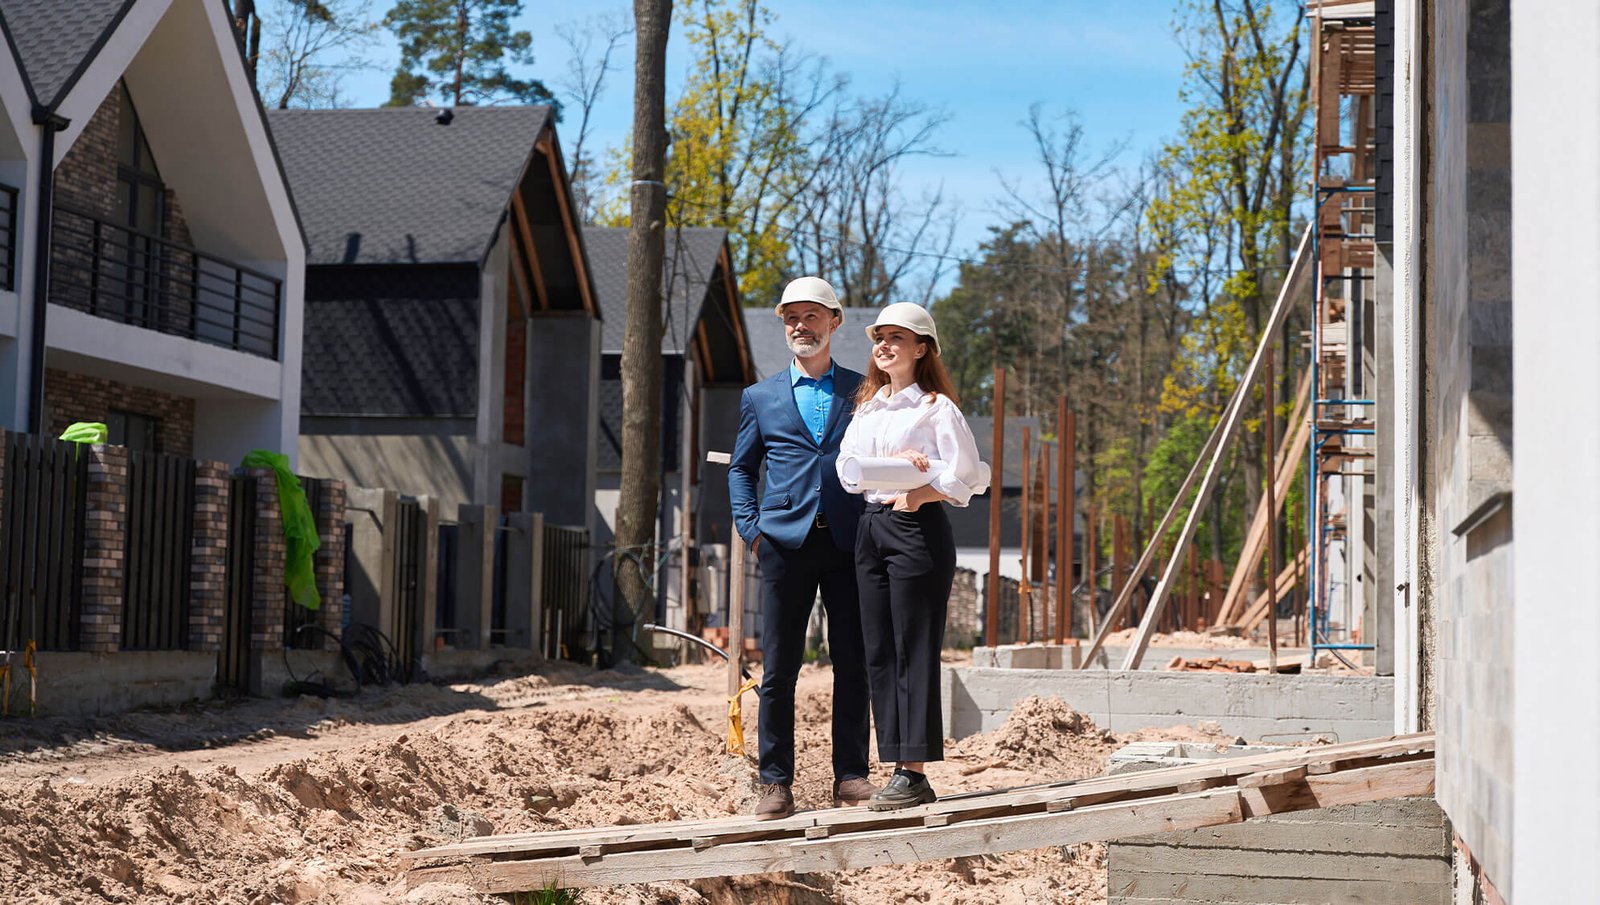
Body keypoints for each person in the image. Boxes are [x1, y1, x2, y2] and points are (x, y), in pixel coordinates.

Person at [729, 276, 876, 820]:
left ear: (834, 322)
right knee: (779, 669)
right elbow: (742, 469)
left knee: (853, 664)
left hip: (848, 543)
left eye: (811, 316)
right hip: (783, 545)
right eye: (791, 317)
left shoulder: (864, 393)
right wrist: (752, 529)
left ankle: (852, 776)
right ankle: (775, 782)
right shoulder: (759, 397)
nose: (800, 326)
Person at [836, 302, 990, 811]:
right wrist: (895, 464)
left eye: (896, 338)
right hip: (871, 527)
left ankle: (915, 771)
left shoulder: (936, 409)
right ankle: (896, 766)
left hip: (916, 531)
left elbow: (970, 475)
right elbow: (848, 471)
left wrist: (922, 489)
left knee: (913, 648)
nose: (883, 346)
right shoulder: (868, 408)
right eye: (879, 338)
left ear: (921, 349)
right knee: (878, 649)